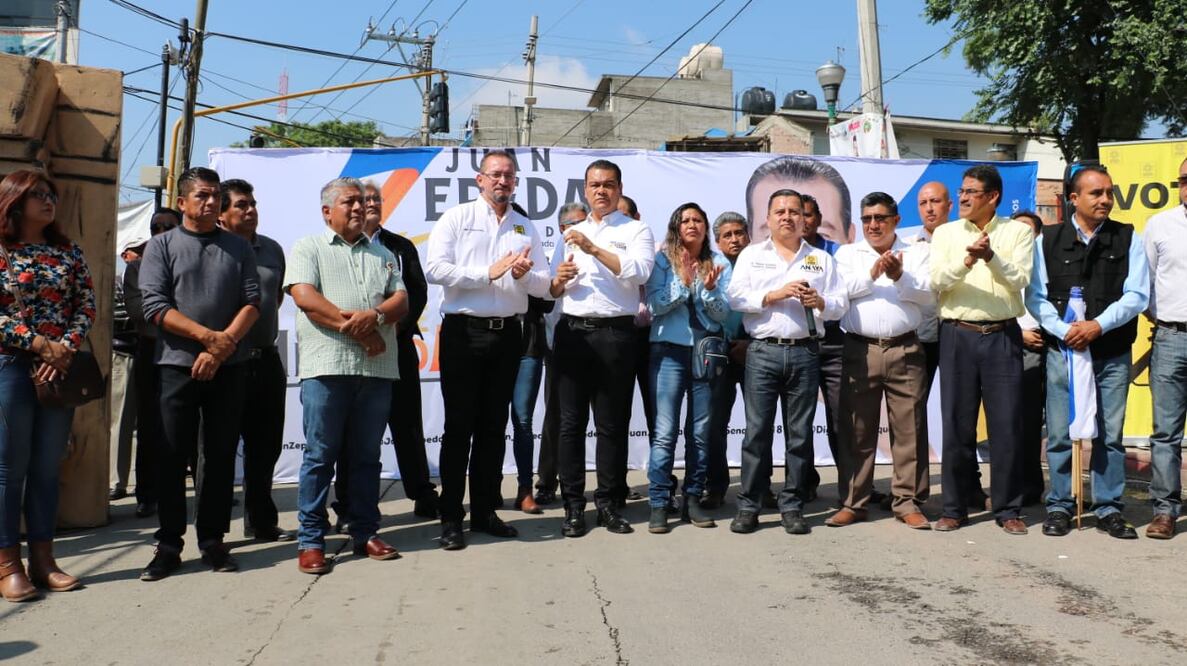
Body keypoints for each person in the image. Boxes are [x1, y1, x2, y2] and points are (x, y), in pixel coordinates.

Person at [425, 150, 552, 550]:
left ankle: (483, 511)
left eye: (509, 176)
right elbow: (435, 269)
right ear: (479, 180)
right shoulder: (457, 218)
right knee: (459, 427)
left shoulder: (524, 226)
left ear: (516, 183)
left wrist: (524, 274)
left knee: (494, 429)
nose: (503, 182)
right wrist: (487, 273)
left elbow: (546, 287)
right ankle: (450, 516)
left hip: (507, 336)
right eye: (495, 175)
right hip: (464, 332)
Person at [138, 167, 261, 580]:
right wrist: (209, 339)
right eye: (202, 196)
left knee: (220, 454)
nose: (210, 203)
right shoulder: (162, 246)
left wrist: (222, 345)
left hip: (230, 365)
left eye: (215, 197)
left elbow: (252, 302)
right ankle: (169, 543)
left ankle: (212, 539)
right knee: (172, 455)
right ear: (183, 202)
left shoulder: (238, 247)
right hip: (176, 364)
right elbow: (155, 306)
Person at [285, 176, 408, 574]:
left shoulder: (384, 254)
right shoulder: (308, 247)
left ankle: (365, 532)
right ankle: (311, 540)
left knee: (366, 458)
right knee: (320, 457)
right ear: (327, 211)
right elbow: (305, 297)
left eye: (362, 202)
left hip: (375, 370)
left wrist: (375, 317)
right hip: (327, 369)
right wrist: (359, 330)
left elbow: (401, 299)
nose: (358, 208)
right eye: (349, 202)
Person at [1026, 165, 1147, 539]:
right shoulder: (1046, 240)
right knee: (1061, 433)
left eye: (1109, 193)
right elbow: (1035, 296)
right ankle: (1061, 504)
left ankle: (1108, 506)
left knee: (1109, 435)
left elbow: (1137, 294)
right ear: (1073, 198)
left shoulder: (1128, 238)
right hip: (1065, 353)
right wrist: (1065, 331)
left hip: (1110, 352)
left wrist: (1097, 326)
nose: (1106, 200)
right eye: (1096, 193)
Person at [725, 188, 846, 535]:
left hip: (806, 352)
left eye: (795, 211)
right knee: (756, 433)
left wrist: (820, 300)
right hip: (763, 351)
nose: (788, 217)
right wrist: (773, 295)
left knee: (799, 436)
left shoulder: (820, 258)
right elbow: (735, 297)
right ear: (767, 218)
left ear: (806, 219)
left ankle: (792, 504)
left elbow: (840, 304)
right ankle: (749, 504)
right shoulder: (751, 254)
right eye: (780, 211)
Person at [0, 170, 96, 601]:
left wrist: (64, 349)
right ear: (14, 201)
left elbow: (86, 303)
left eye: (50, 194)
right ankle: (7, 565)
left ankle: (44, 560)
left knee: (46, 466)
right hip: (11, 366)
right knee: (9, 469)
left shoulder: (66, 250)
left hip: (59, 370)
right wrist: (39, 344)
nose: (48, 200)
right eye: (37, 194)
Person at [551, 159, 655, 537]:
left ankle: (609, 504)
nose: (601, 191)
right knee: (570, 424)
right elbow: (551, 289)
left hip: (616, 335)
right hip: (573, 332)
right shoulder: (570, 233)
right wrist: (558, 281)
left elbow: (640, 272)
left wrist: (593, 249)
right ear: (585, 189)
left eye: (608, 184)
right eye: (594, 185)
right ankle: (573, 507)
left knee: (612, 424)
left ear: (619, 187)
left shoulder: (636, 230)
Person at [930, 164, 1033, 535]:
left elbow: (1021, 279)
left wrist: (992, 257)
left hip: (1003, 335)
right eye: (961, 191)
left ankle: (1008, 509)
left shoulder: (1017, 232)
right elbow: (936, 281)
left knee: (1006, 426)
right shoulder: (945, 233)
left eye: (971, 192)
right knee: (957, 424)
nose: (963, 198)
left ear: (993, 197)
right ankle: (954, 508)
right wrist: (968, 259)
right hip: (958, 334)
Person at [333, 181, 439, 533]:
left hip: (397, 345)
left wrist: (392, 330)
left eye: (377, 198)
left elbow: (417, 293)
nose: (372, 204)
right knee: (353, 430)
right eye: (365, 199)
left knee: (407, 423)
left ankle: (422, 492)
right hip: (354, 349)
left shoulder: (399, 246)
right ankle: (347, 504)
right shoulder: (335, 248)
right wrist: (364, 333)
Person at [826, 192, 933, 530]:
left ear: (896, 220)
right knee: (857, 429)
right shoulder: (846, 254)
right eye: (868, 218)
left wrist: (900, 275)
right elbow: (838, 296)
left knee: (909, 429)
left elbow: (930, 297)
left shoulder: (917, 250)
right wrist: (872, 274)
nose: (874, 225)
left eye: (881, 218)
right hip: (860, 348)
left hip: (906, 349)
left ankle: (906, 501)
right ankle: (854, 502)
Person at [644, 203, 732, 534]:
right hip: (668, 352)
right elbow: (654, 305)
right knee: (665, 433)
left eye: (698, 220)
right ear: (676, 227)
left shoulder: (719, 261)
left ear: (706, 227)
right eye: (686, 220)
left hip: (705, 354)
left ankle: (692, 498)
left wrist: (709, 292)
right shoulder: (662, 259)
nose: (692, 224)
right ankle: (658, 502)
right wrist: (682, 283)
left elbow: (724, 314)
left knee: (699, 432)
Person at [217, 179, 294, 542]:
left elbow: (273, 299)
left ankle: (261, 521)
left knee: (266, 447)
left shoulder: (272, 250)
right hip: (226, 362)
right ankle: (212, 531)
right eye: (241, 206)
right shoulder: (214, 250)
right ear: (221, 214)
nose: (250, 212)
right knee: (216, 451)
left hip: (266, 360)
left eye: (253, 204)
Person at [911, 181, 989, 511]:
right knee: (912, 416)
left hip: (960, 331)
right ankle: (912, 493)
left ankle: (968, 486)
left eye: (936, 201)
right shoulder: (908, 242)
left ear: (949, 205)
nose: (930, 208)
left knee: (961, 415)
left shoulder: (967, 237)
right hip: (920, 337)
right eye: (924, 202)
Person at [122, 209, 180, 519]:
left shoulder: (191, 260)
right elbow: (140, 313)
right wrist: (181, 319)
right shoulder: (136, 269)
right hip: (152, 352)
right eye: (155, 226)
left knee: (193, 426)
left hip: (188, 352)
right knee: (150, 426)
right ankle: (147, 494)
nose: (161, 231)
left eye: (168, 226)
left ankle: (201, 488)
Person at [1142, 156, 1187, 539]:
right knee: (1166, 432)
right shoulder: (1160, 225)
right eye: (1184, 180)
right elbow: (1146, 284)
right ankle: (1165, 511)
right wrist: (1163, 319)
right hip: (1172, 337)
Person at [533, 202, 587, 505]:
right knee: (557, 415)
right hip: (561, 342)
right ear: (564, 228)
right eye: (577, 224)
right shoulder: (552, 254)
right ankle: (547, 481)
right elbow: (549, 300)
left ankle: (615, 482)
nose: (583, 228)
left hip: (596, 339)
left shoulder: (596, 246)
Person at [800, 193, 849, 505]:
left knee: (840, 417)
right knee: (800, 419)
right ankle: (804, 483)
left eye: (808, 214)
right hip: (800, 342)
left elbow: (841, 298)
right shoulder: (785, 253)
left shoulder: (836, 253)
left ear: (818, 219)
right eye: (796, 213)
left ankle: (852, 486)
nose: (802, 220)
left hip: (833, 341)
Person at [507, 200, 554, 516]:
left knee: (522, 419)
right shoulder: (483, 252)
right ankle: (487, 487)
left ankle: (525, 488)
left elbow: (549, 301)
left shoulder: (535, 255)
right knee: (487, 420)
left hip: (528, 347)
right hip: (490, 342)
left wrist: (527, 276)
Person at [702, 211, 750, 509]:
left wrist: (749, 342)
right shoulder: (711, 268)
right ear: (718, 242)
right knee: (714, 424)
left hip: (754, 349)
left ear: (748, 235)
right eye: (727, 235)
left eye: (739, 233)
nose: (734, 239)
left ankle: (758, 486)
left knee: (759, 424)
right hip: (719, 352)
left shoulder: (760, 262)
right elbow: (706, 311)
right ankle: (715, 487)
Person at [1011, 210, 1048, 506]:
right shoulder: (1002, 262)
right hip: (1017, 342)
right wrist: (1018, 333)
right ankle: (1020, 485)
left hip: (1052, 342)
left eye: (1027, 232)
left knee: (1047, 422)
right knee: (1020, 420)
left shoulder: (1048, 261)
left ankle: (1045, 486)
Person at [745, 156, 854, 245]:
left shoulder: (826, 261)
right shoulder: (749, 260)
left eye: (820, 235)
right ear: (749, 234)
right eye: (771, 235)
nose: (798, 239)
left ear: (850, 236)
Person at [109, 240, 143, 502]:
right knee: (120, 421)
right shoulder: (119, 280)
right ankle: (116, 481)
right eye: (138, 251)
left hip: (152, 354)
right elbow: (121, 318)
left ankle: (145, 484)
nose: (142, 255)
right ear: (126, 254)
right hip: (125, 354)